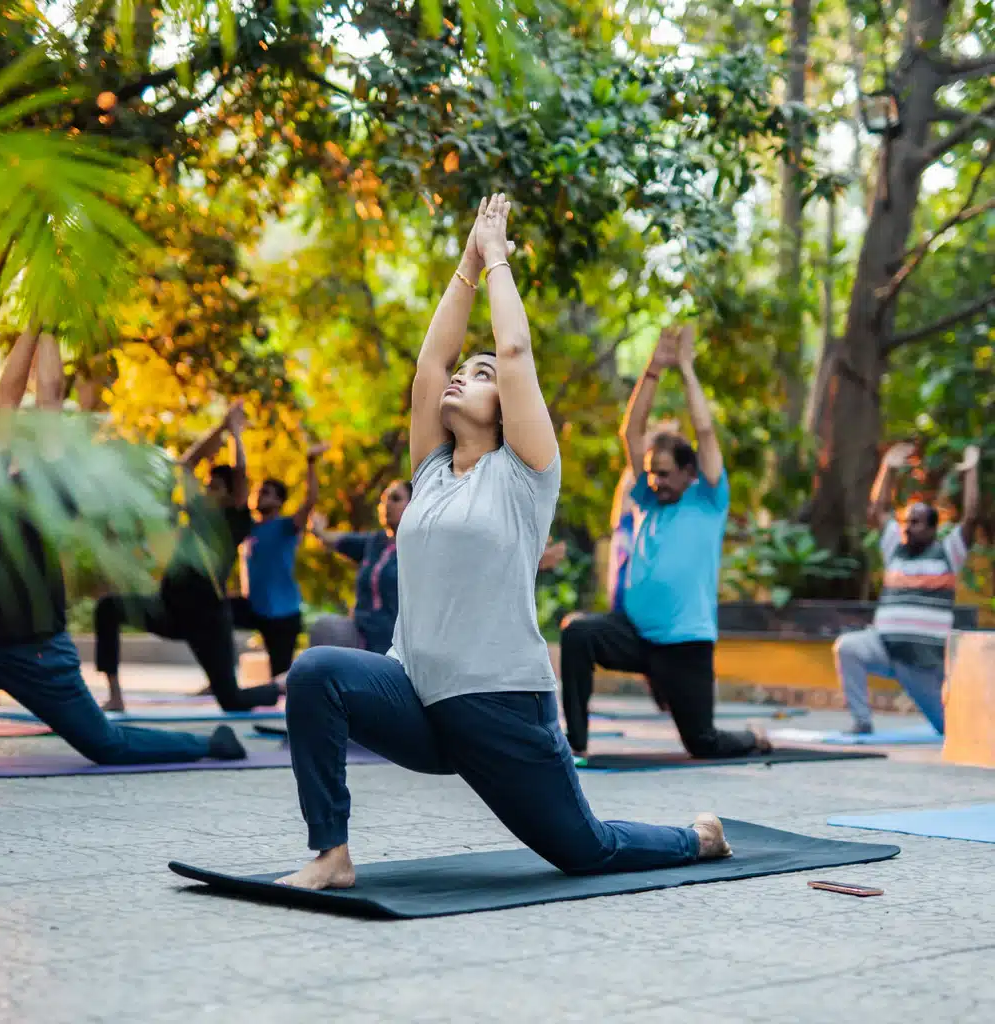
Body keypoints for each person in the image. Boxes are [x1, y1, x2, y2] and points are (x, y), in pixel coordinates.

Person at [277, 195, 731, 892]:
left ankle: (696, 838)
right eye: (468, 371)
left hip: (498, 705)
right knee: (316, 675)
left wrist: (497, 262)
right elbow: (431, 365)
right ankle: (331, 854)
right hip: (415, 696)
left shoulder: (524, 476)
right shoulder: (429, 471)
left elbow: (514, 351)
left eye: (481, 377)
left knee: (587, 849)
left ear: (508, 405)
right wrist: (465, 260)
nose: (465, 376)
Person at [0, 332, 245, 764]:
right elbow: (7, 395)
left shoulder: (42, 490)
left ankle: (210, 744)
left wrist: (45, 327)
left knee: (104, 743)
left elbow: (47, 396)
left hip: (31, 652)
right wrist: (37, 320)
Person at [559, 324, 768, 760]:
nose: (655, 481)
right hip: (634, 634)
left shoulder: (709, 500)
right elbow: (630, 434)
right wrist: (653, 368)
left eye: (665, 474)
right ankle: (574, 743)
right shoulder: (647, 501)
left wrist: (686, 369)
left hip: (684, 645)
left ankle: (752, 736)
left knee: (702, 744)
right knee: (577, 633)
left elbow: (706, 433)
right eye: (651, 473)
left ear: (690, 473)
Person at [94, 402, 282, 712]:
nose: (207, 489)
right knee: (108, 608)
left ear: (230, 493)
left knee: (231, 701)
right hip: (168, 608)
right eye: (207, 484)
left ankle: (278, 686)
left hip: (207, 619)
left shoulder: (236, 519)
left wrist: (235, 434)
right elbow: (185, 464)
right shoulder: (196, 511)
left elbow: (241, 473)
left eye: (215, 487)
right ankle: (115, 696)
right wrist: (221, 426)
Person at [834, 441, 980, 735]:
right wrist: (887, 467)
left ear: (932, 528)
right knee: (848, 647)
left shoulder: (947, 554)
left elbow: (971, 517)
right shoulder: (895, 551)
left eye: (916, 523)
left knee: (950, 730)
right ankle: (862, 722)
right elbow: (878, 509)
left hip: (922, 663)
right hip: (884, 647)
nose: (907, 527)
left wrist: (972, 470)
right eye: (906, 521)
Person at [230, 443, 329, 682]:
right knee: (213, 612)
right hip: (253, 606)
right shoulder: (248, 528)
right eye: (258, 490)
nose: (258, 494)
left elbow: (310, 500)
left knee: (281, 677)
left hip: (282, 613)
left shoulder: (287, 526)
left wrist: (311, 463)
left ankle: (282, 714)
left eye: (265, 492)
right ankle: (221, 677)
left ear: (278, 501)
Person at [308, 478, 412, 653]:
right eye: (383, 499)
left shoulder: (419, 548)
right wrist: (318, 530)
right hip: (359, 632)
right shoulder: (375, 542)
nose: (386, 504)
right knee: (324, 628)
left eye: (395, 498)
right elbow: (335, 539)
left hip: (393, 644)